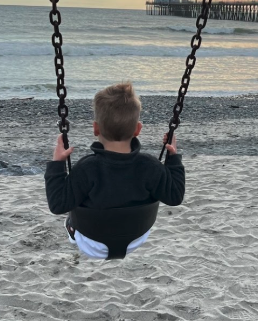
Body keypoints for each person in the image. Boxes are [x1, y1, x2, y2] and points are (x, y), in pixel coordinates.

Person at [45, 81, 185, 259]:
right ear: (138, 129)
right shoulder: (151, 166)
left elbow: (57, 205)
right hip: (136, 237)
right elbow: (175, 197)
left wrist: (57, 164)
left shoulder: (86, 168)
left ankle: (72, 228)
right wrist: (173, 159)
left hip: (91, 243)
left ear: (96, 128)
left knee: (72, 209)